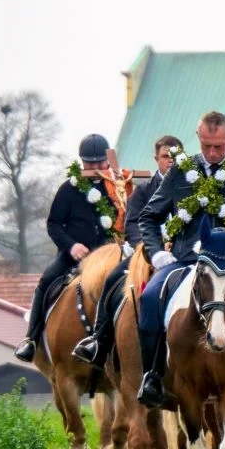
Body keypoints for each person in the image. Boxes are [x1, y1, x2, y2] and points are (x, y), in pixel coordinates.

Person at [135, 110, 225, 411]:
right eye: (206, 146)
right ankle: (152, 375)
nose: (213, 153)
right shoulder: (181, 171)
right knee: (150, 297)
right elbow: (149, 217)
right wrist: (157, 252)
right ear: (198, 139)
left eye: (219, 146)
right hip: (188, 260)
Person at [72, 134, 181, 369]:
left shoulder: (190, 189)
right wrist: (150, 248)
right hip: (147, 253)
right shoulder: (142, 192)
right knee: (113, 279)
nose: (170, 161)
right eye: (165, 156)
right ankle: (100, 341)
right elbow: (132, 223)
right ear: (156, 159)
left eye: (175, 156)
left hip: (182, 253)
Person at [16, 133, 126, 363]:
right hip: (75, 255)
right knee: (46, 281)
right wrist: (71, 246)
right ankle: (31, 339)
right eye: (90, 163)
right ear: (81, 162)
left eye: (99, 162)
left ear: (108, 160)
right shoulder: (68, 189)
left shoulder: (118, 188)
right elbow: (54, 224)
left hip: (110, 256)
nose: (95, 167)